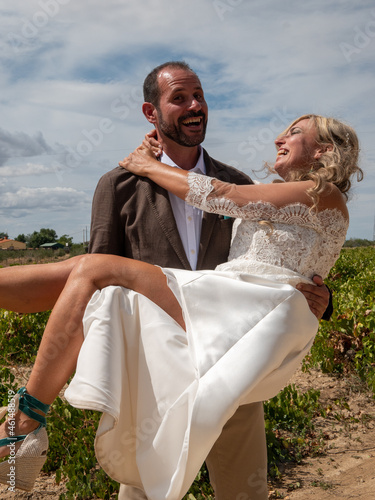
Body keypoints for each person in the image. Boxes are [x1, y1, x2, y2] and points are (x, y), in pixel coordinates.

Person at [0, 62, 330, 500]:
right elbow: (93, 290)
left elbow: (282, 261)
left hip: (234, 364)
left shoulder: (235, 183)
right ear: (150, 112)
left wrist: (323, 297)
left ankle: (21, 418)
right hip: (153, 373)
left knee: (246, 492)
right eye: (179, 98)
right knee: (142, 491)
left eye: (200, 96)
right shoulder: (118, 186)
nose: (195, 106)